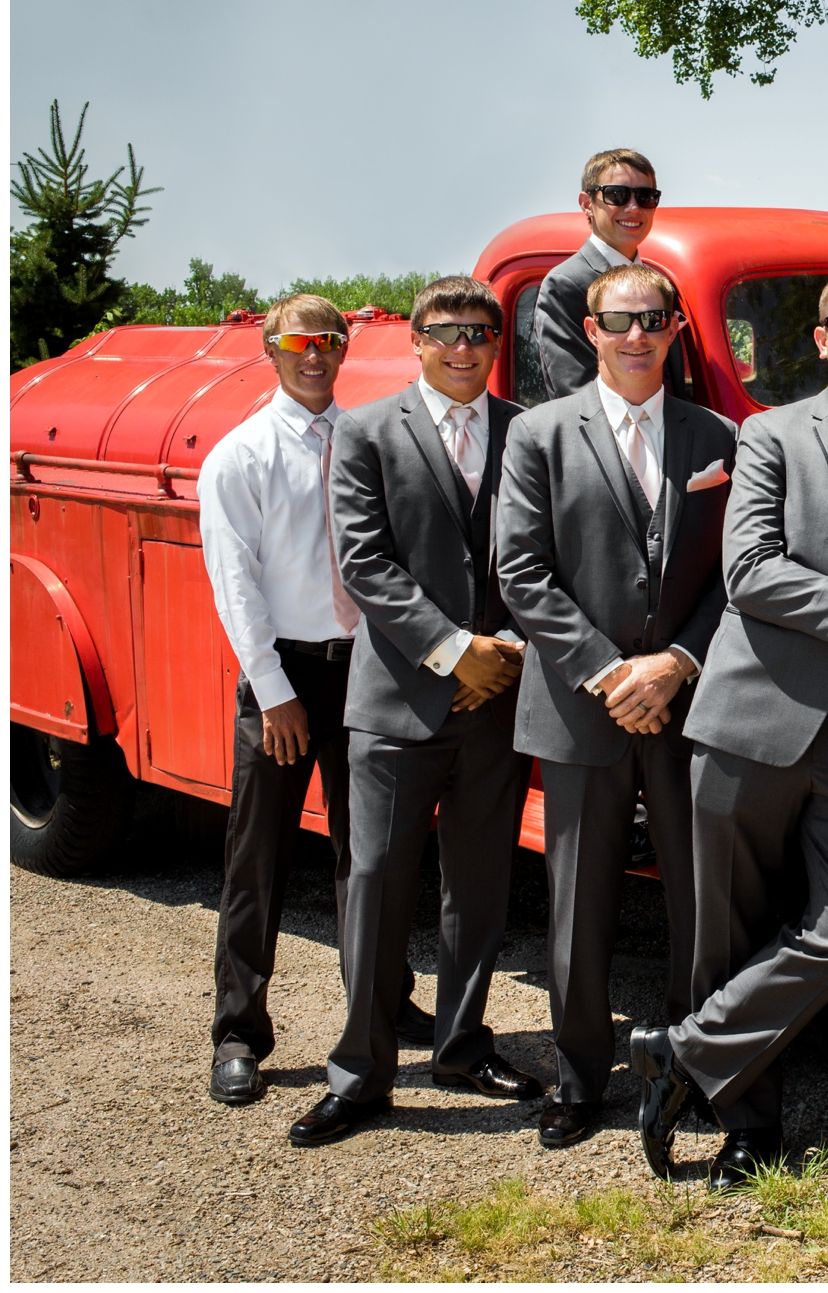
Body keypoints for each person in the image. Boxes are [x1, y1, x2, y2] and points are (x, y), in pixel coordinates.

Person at [630, 268, 828, 1186]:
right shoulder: (769, 433)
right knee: (724, 933)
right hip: (752, 717)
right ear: (822, 338)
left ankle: (684, 1050)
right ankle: (749, 1134)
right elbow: (750, 568)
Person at [289, 277, 543, 1148]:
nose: (464, 346)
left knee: (479, 888)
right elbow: (363, 561)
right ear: (415, 339)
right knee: (377, 886)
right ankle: (360, 1075)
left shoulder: (527, 431)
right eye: (446, 332)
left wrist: (501, 651)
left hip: (499, 698)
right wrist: (453, 651)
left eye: (481, 331)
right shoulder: (363, 431)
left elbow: (547, 555)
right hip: (398, 703)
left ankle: (464, 1044)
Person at [497, 262, 740, 1150]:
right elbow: (521, 571)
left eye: (653, 319)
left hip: (690, 704)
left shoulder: (719, 436)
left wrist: (675, 663)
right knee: (578, 901)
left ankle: (693, 1063)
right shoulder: (538, 435)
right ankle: (576, 1075)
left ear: (676, 329)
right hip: (579, 705)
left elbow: (738, 574)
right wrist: (613, 674)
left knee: (699, 896)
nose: (636, 334)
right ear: (590, 328)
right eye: (618, 319)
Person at [197, 293, 433, 1107]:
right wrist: (272, 692)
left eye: (330, 341)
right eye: (299, 341)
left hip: (366, 669)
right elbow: (236, 588)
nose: (315, 354)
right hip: (285, 676)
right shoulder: (240, 455)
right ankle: (238, 1032)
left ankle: (383, 1002)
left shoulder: (364, 442)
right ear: (269, 347)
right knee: (257, 856)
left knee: (369, 853)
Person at [532, 148, 689, 402]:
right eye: (617, 195)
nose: (634, 208)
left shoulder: (662, 284)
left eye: (646, 197)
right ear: (587, 204)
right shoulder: (565, 284)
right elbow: (576, 391)